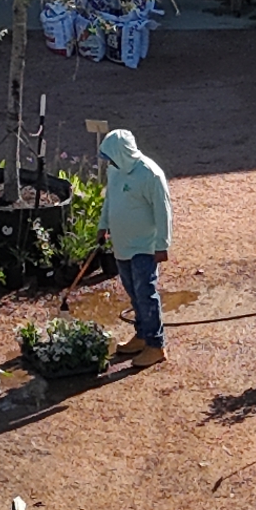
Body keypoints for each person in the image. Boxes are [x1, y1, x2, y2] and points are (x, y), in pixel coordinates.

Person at [98, 128, 173, 361]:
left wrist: (162, 245)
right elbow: (110, 199)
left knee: (145, 293)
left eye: (111, 157)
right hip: (122, 245)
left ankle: (156, 345)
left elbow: (163, 211)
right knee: (133, 292)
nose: (108, 162)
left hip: (144, 247)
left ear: (121, 154)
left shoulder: (150, 174)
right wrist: (103, 225)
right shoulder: (115, 170)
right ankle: (142, 334)